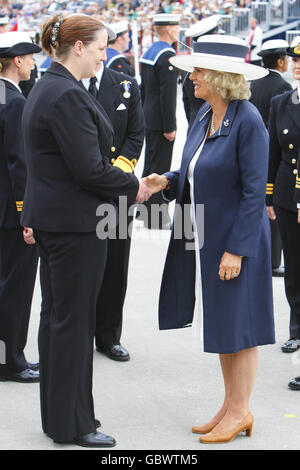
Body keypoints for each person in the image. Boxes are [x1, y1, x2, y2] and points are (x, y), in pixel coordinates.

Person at [21, 13, 151, 448]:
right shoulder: (67, 95)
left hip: (57, 220)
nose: (103, 56)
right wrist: (137, 185)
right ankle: (75, 423)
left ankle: (57, 418)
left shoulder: (49, 86)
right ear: (78, 47)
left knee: (57, 321)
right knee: (73, 326)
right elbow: (90, 170)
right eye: (99, 48)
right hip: (76, 226)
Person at [143, 34, 275, 444]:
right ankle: (230, 405)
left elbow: (254, 192)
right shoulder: (204, 116)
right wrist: (167, 179)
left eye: (198, 71)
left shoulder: (248, 119)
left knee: (242, 327)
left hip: (239, 242)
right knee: (222, 324)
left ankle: (241, 410)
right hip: (207, 238)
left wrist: (236, 249)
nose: (191, 77)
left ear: (220, 77)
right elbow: (196, 172)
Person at [82, 52, 144, 361]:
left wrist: (120, 170)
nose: (100, 53)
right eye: (96, 46)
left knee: (115, 264)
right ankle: (79, 334)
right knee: (80, 266)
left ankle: (108, 336)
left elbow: (135, 134)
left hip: (116, 189)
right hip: (80, 191)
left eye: (104, 47)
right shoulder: (69, 85)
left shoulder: (125, 86)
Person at [0, 31, 40, 383]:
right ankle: (11, 360)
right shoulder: (14, 102)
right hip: (10, 216)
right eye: (29, 57)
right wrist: (26, 214)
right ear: (16, 60)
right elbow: (19, 165)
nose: (32, 63)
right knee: (15, 289)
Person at [266, 36, 300, 355]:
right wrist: (269, 195)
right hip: (288, 191)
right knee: (293, 264)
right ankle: (296, 329)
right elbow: (273, 152)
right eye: (295, 60)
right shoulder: (281, 102)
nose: (298, 66)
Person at [250, 39, 292, 278]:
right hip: (274, 151)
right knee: (274, 205)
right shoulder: (282, 87)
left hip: (256, 151)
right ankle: (274, 260)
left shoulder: (255, 84)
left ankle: (267, 256)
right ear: (279, 61)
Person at [139, 13, 180, 229]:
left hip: (149, 116)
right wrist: (170, 126)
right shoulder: (166, 55)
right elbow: (168, 95)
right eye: (176, 26)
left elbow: (143, 89)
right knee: (160, 167)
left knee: (151, 163)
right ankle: (153, 216)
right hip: (161, 120)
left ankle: (144, 208)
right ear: (168, 29)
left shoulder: (150, 52)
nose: (178, 30)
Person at [182, 15, 220, 133]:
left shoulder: (188, 65)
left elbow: (186, 102)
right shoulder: (216, 67)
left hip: (195, 126)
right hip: (212, 129)